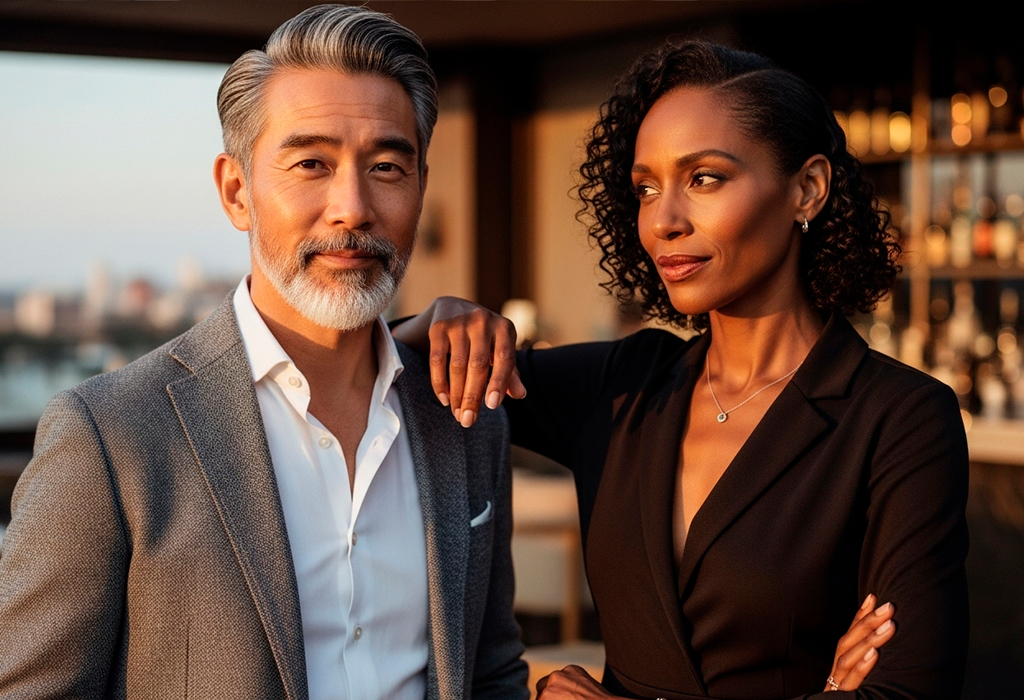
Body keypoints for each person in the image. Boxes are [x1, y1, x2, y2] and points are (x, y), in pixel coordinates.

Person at [394, 40, 969, 699]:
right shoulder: (623, 385)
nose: (663, 220)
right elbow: (382, 372)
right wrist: (436, 317)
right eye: (646, 188)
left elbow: (907, 693)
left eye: (704, 179)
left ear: (806, 188)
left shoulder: (899, 418)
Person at [0, 6, 527, 699]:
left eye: (388, 166)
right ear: (236, 189)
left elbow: (490, 671)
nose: (352, 207)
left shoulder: (465, 415)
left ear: (421, 186)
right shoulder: (112, 436)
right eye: (312, 163)